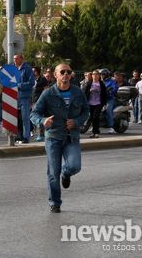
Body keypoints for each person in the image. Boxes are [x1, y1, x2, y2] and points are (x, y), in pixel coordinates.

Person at [30, 64, 89, 213]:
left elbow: (85, 112)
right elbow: (34, 114)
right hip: (53, 137)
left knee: (75, 166)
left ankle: (66, 172)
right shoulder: (48, 94)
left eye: (68, 71)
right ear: (55, 75)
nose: (66, 74)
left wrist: (76, 122)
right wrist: (43, 121)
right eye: (62, 72)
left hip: (72, 137)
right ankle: (55, 202)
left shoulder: (78, 93)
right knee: (52, 173)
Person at [13, 53, 35, 144]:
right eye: (14, 59)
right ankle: (17, 135)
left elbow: (31, 83)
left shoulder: (27, 69)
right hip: (14, 96)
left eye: (17, 58)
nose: (15, 60)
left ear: (22, 59)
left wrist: (18, 86)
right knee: (16, 117)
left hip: (24, 96)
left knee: (25, 117)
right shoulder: (13, 69)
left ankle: (26, 136)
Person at [84, 70, 107, 138]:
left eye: (97, 74)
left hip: (98, 103)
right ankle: (93, 132)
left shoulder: (101, 83)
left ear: (99, 75)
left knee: (95, 117)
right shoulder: (90, 82)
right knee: (91, 117)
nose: (95, 76)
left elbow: (104, 94)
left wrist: (104, 104)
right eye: (94, 74)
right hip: (90, 102)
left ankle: (96, 131)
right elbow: (86, 92)